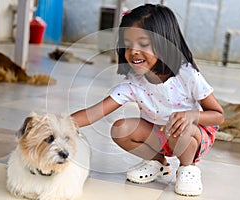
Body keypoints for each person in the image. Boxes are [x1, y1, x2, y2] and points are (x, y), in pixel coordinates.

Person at [71, 4, 224, 196]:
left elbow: (218, 115)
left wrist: (191, 116)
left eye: (143, 44)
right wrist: (58, 123)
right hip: (159, 135)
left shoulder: (187, 75)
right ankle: (159, 163)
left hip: (191, 135)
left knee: (179, 127)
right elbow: (95, 112)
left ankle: (188, 168)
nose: (133, 51)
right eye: (127, 44)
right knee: (120, 129)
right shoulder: (134, 83)